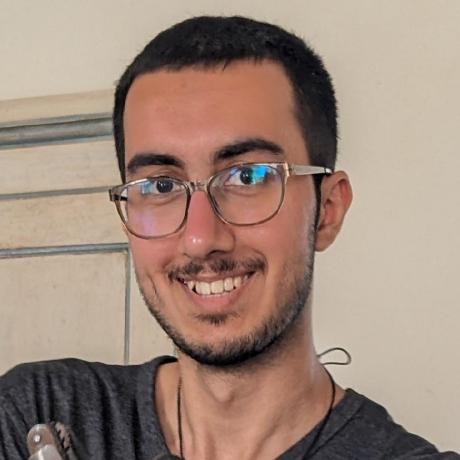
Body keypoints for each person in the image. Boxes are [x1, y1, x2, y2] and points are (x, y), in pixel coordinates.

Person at [0, 16, 458, 460]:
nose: (200, 239)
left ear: (328, 210)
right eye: (161, 185)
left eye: (247, 176)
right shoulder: (33, 413)